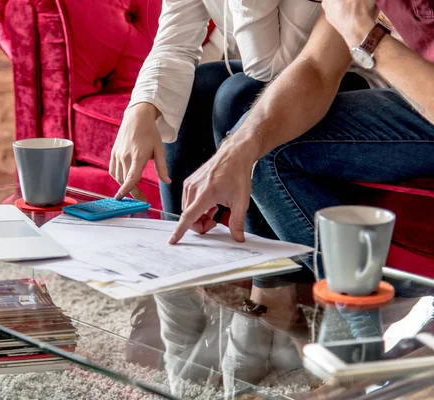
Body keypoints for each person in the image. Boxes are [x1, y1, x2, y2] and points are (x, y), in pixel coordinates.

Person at [166, 0, 434, 253]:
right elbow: (317, 65)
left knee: (265, 136)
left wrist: (367, 37)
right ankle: (278, 288)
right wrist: (234, 148)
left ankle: (355, 287)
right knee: (260, 135)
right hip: (411, 93)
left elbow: (356, 31)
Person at [110, 0, 324, 211]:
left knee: (237, 95)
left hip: (329, 77)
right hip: (267, 73)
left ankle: (249, 241)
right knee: (196, 88)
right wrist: (139, 109)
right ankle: (178, 232)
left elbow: (267, 71)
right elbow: (174, 44)